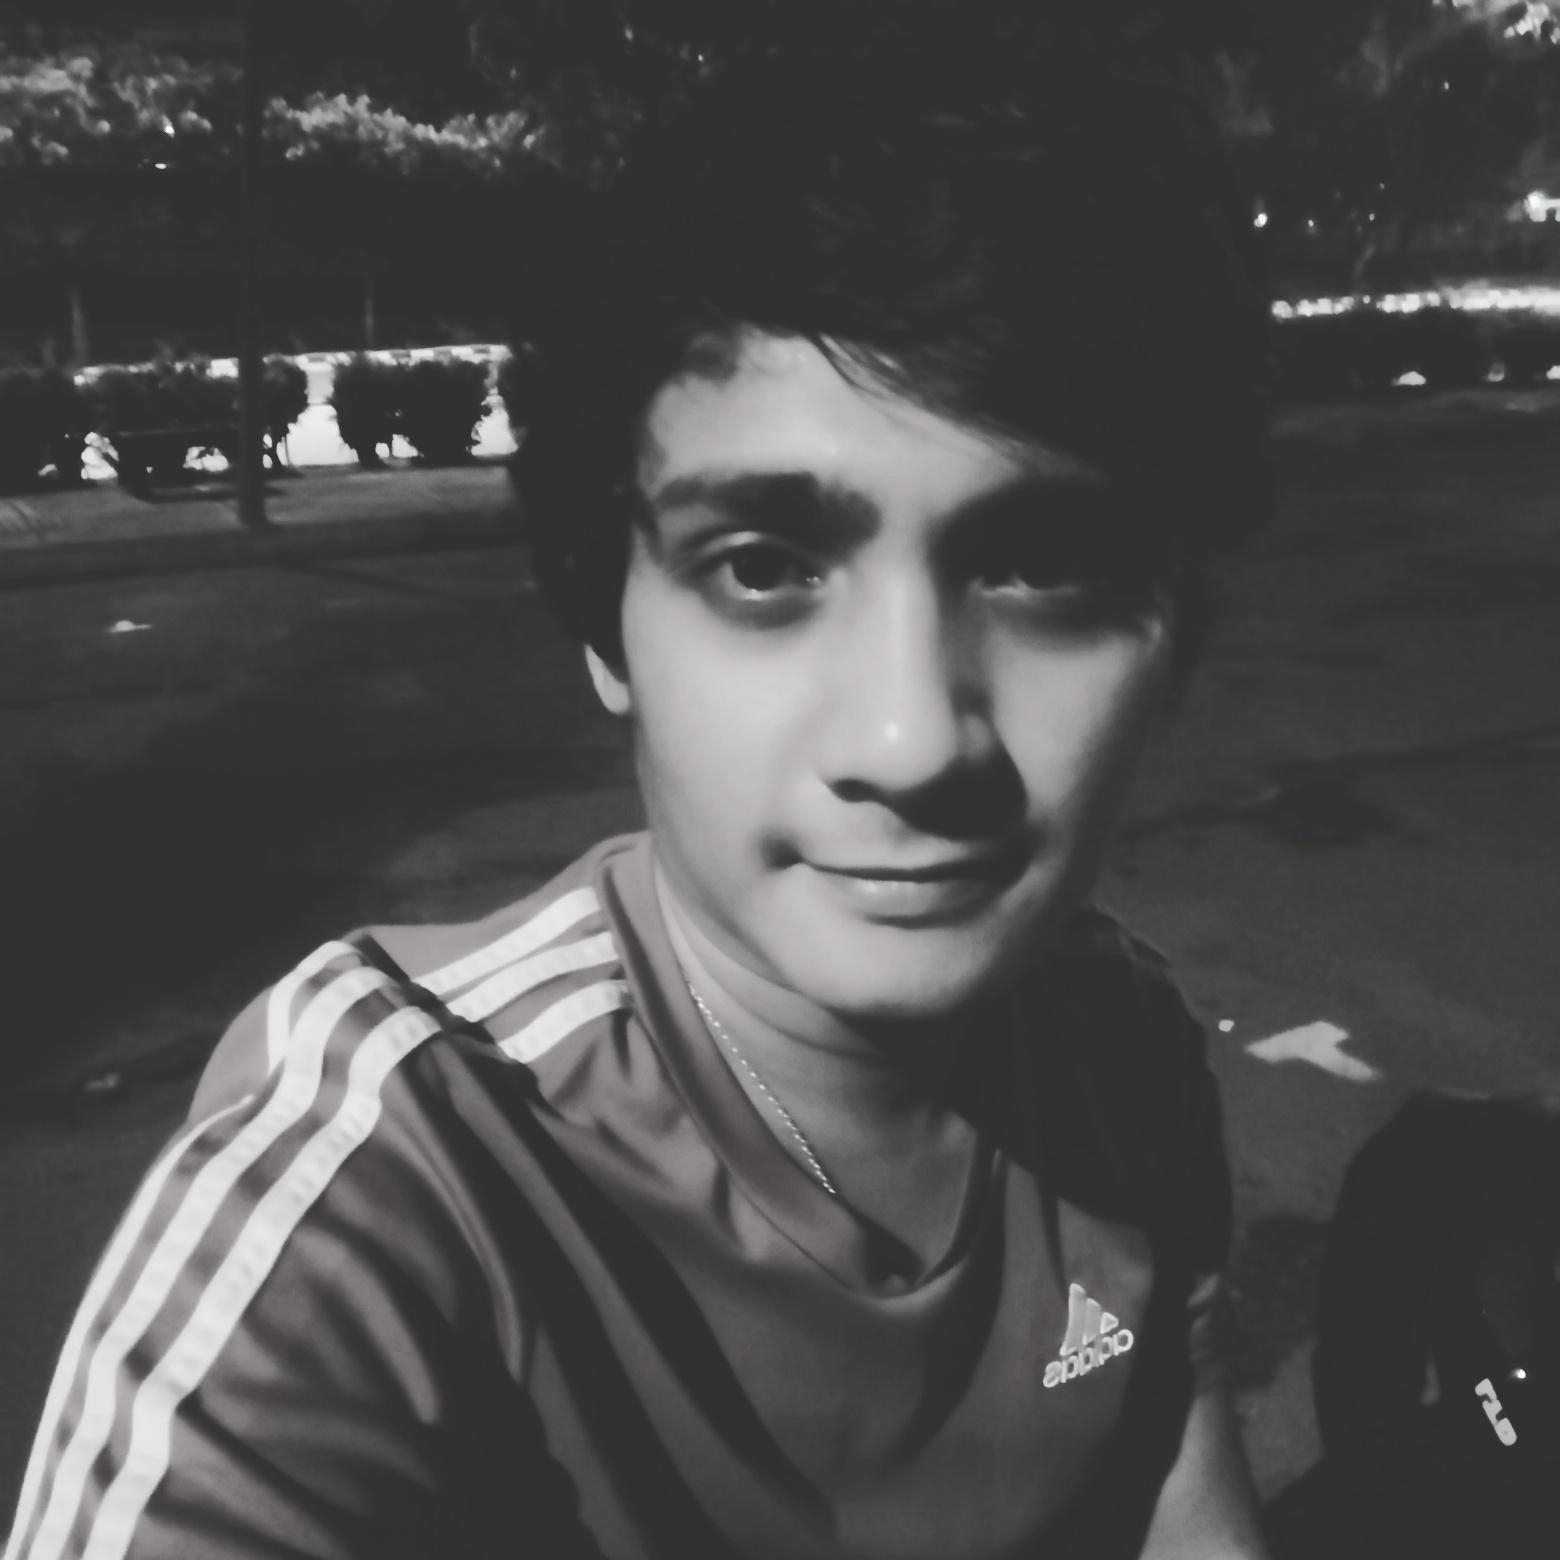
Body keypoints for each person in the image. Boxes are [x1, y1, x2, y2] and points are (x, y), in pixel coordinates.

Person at [5, 15, 1277, 1559]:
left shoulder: (1121, 1046)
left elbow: (1180, 1496)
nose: (909, 740)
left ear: (1177, 634)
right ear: (608, 627)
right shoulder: (398, 1176)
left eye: (1046, 566)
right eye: (764, 566)